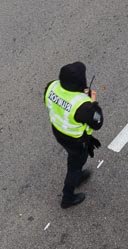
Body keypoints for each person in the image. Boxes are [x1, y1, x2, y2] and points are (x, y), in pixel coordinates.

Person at [44, 62, 103, 208]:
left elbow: (60, 102)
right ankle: (68, 197)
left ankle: (76, 176)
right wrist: (93, 103)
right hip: (76, 140)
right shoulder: (83, 106)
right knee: (75, 166)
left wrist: (80, 93)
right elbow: (98, 122)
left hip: (58, 131)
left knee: (73, 159)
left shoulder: (52, 86)